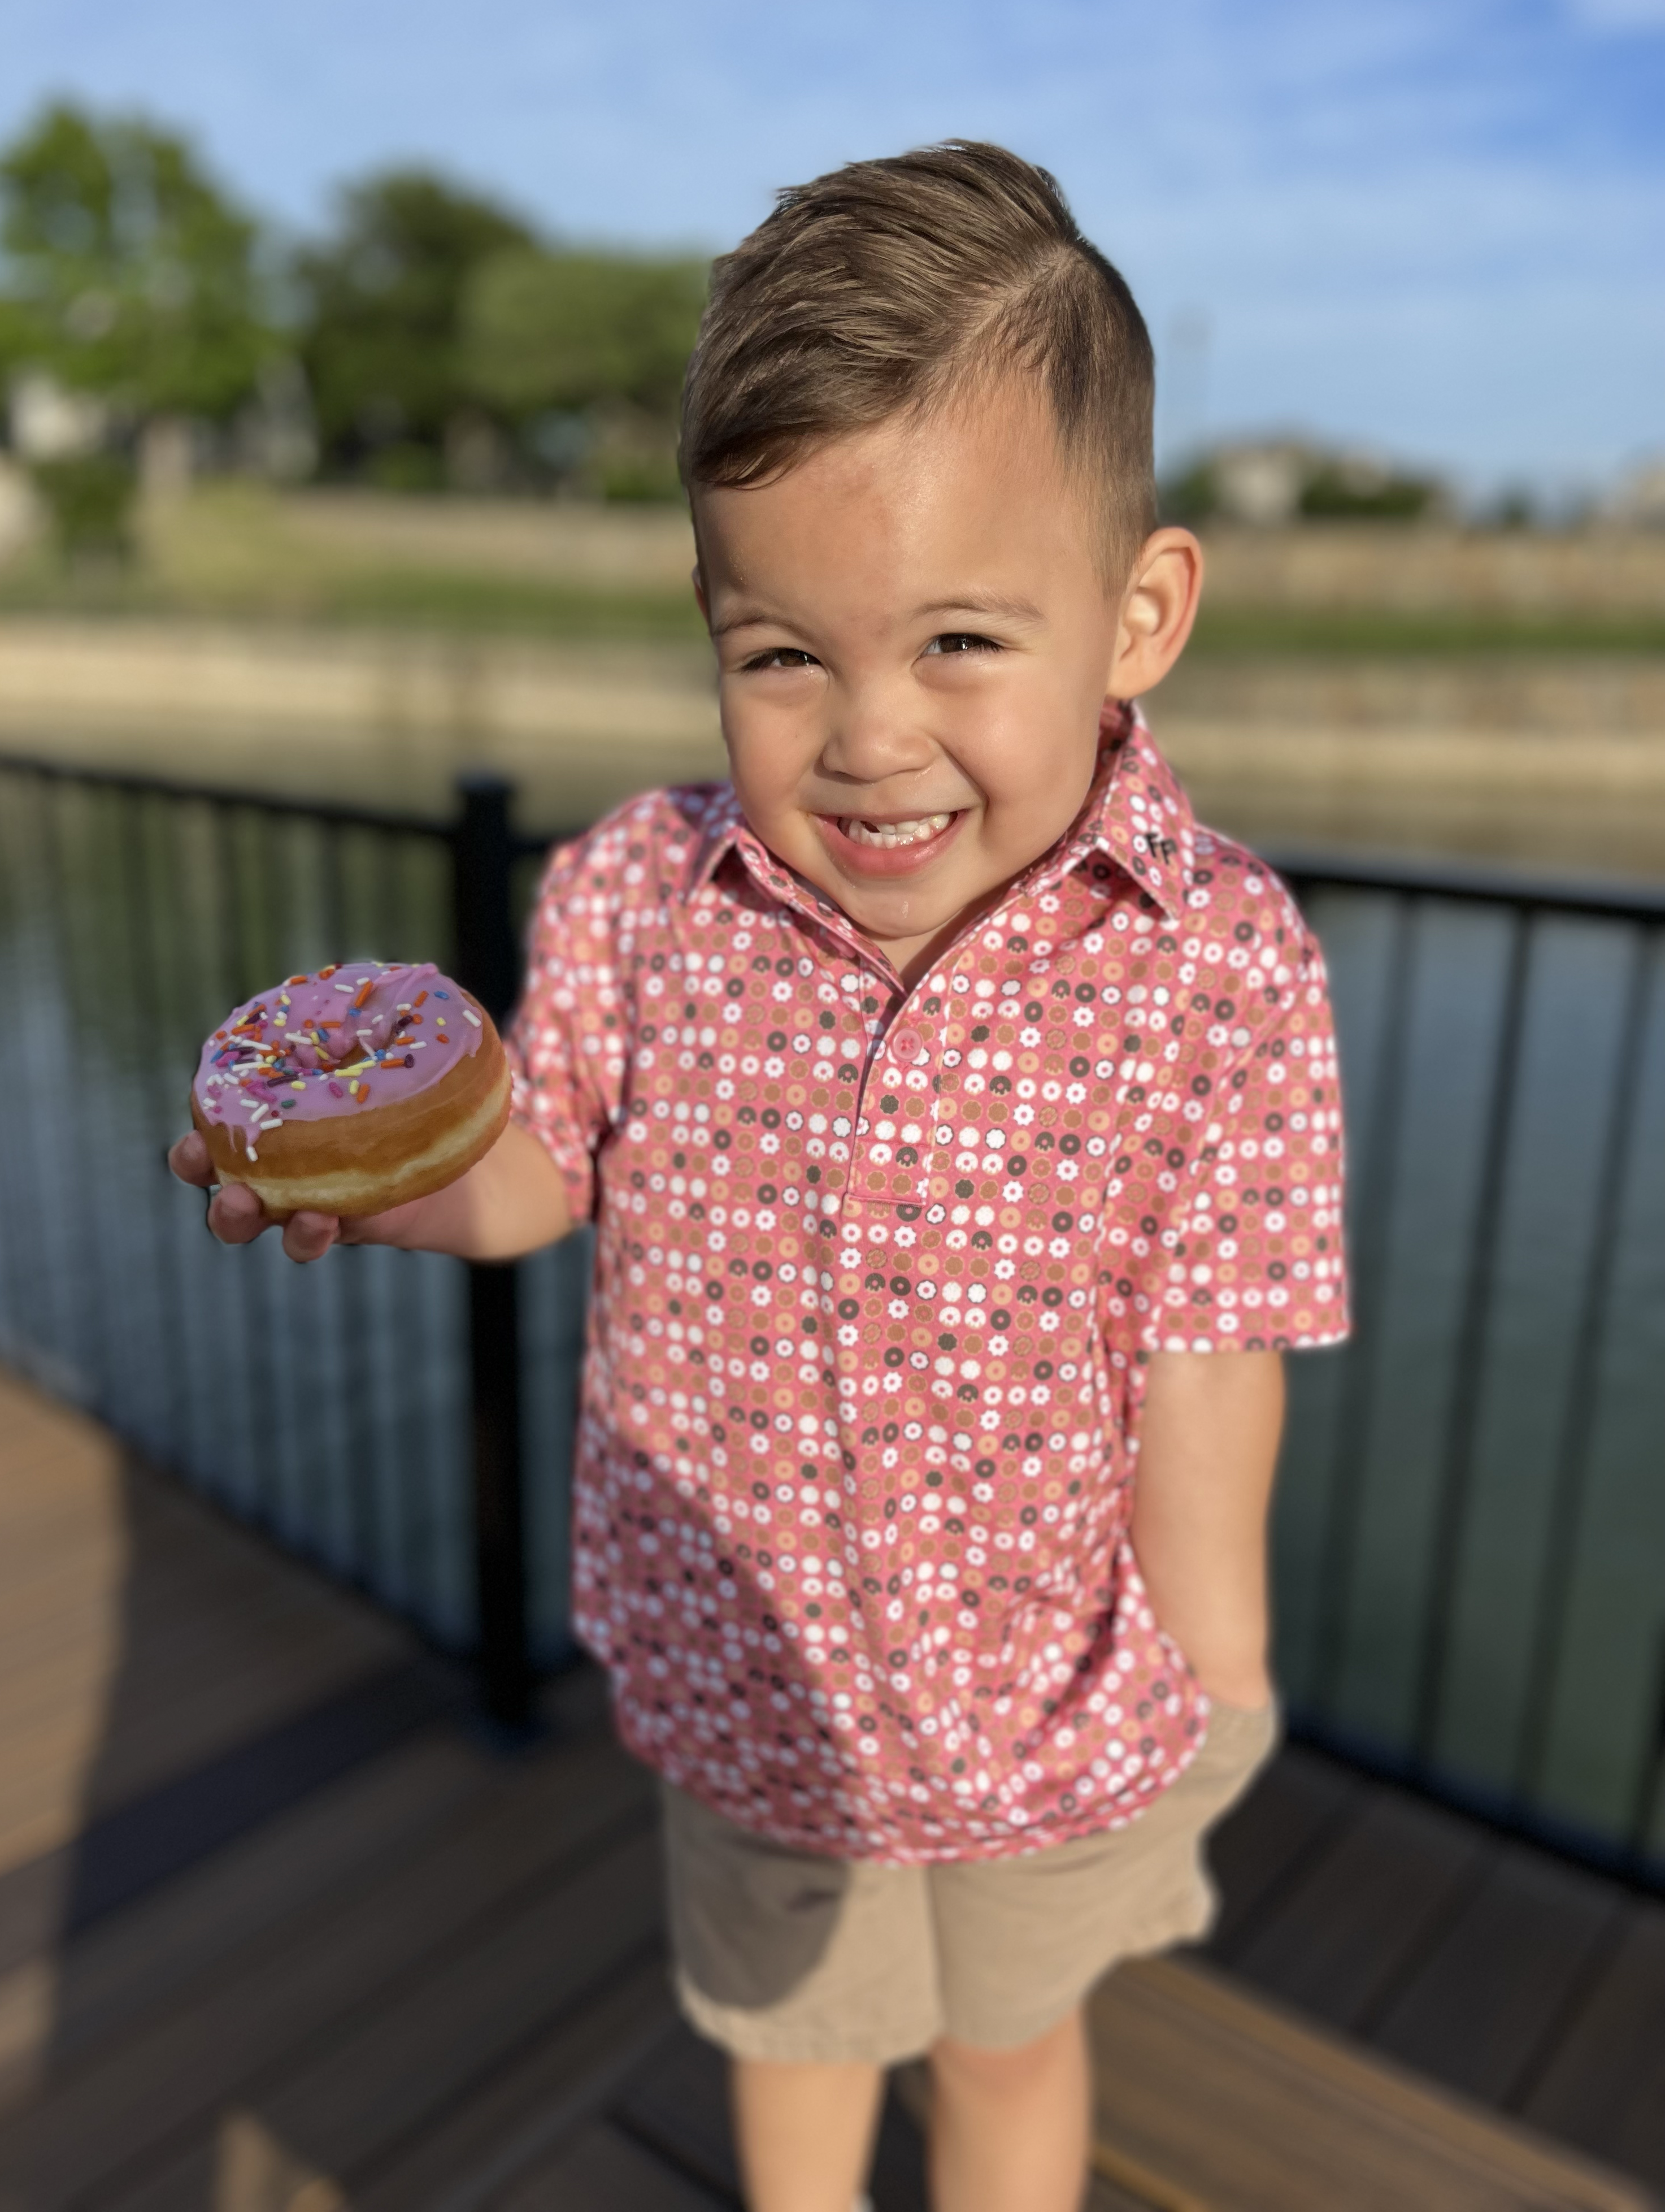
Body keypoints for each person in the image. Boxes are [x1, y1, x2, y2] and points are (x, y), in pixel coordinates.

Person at [171, 141, 1348, 2212]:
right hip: (748, 1685)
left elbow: (1216, 1347)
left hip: (1053, 1705)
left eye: (963, 641)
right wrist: (404, 1186)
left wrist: (1226, 1660)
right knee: (793, 2064)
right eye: (783, 653)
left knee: (1012, 2055)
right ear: (710, 621)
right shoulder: (640, 885)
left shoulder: (1224, 959)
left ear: (1140, 613)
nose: (868, 739)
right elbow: (546, 1167)